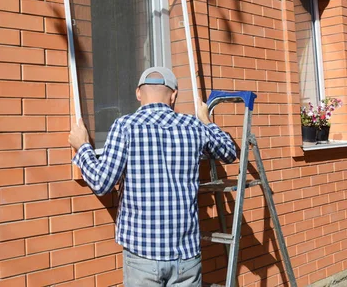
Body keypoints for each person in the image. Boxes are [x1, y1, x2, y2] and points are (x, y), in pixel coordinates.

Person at [69, 66, 237, 287]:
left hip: (142, 257)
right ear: (174, 95)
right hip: (186, 256)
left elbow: (101, 183)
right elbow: (229, 152)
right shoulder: (193, 126)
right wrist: (206, 120)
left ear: (138, 93)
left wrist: (82, 147)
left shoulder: (125, 126)